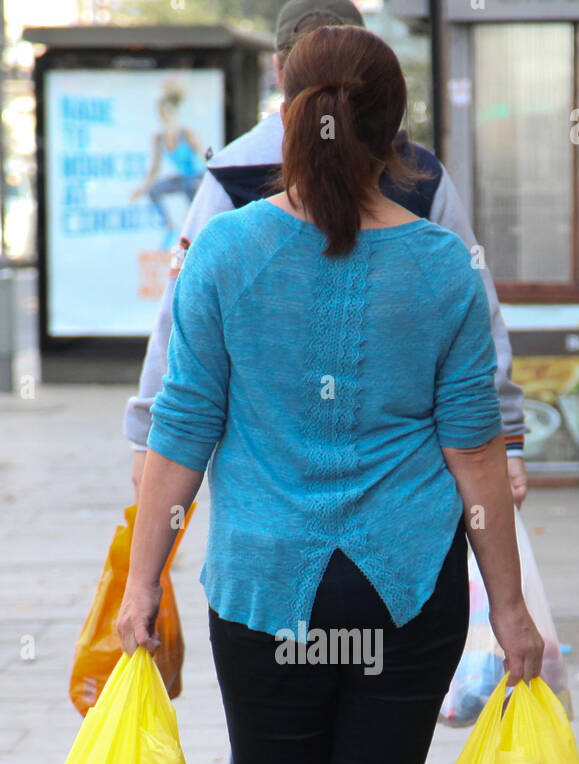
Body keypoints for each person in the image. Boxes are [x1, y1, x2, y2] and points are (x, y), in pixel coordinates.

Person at [117, 22, 543, 764]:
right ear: (395, 129)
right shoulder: (442, 267)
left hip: (264, 583)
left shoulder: (223, 252)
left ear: (283, 114)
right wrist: (510, 609)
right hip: (400, 583)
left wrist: (137, 588)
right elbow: (474, 454)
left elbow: (181, 432)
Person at [123, 0, 527, 506]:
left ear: (279, 72)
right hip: (409, 503)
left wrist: (147, 435)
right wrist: (506, 435)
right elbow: (477, 312)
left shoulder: (231, 176)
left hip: (266, 507)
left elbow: (179, 320)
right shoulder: (421, 175)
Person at [130, 84, 207, 251]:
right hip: (182, 179)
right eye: (162, 114)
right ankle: (169, 227)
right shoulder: (158, 138)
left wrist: (207, 182)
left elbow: (206, 160)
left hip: (196, 180)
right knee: (154, 191)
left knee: (193, 218)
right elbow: (154, 170)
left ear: (176, 114)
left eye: (168, 113)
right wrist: (142, 189)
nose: (166, 118)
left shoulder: (187, 134)